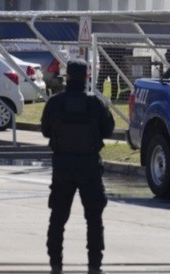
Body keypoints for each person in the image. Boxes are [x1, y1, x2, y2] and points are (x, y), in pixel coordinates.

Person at [41, 59, 115, 274]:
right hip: (88, 165)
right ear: (87, 77)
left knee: (58, 217)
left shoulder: (55, 103)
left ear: (67, 77)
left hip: (63, 165)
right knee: (94, 219)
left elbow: (45, 131)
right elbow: (108, 129)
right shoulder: (95, 103)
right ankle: (94, 266)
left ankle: (56, 265)